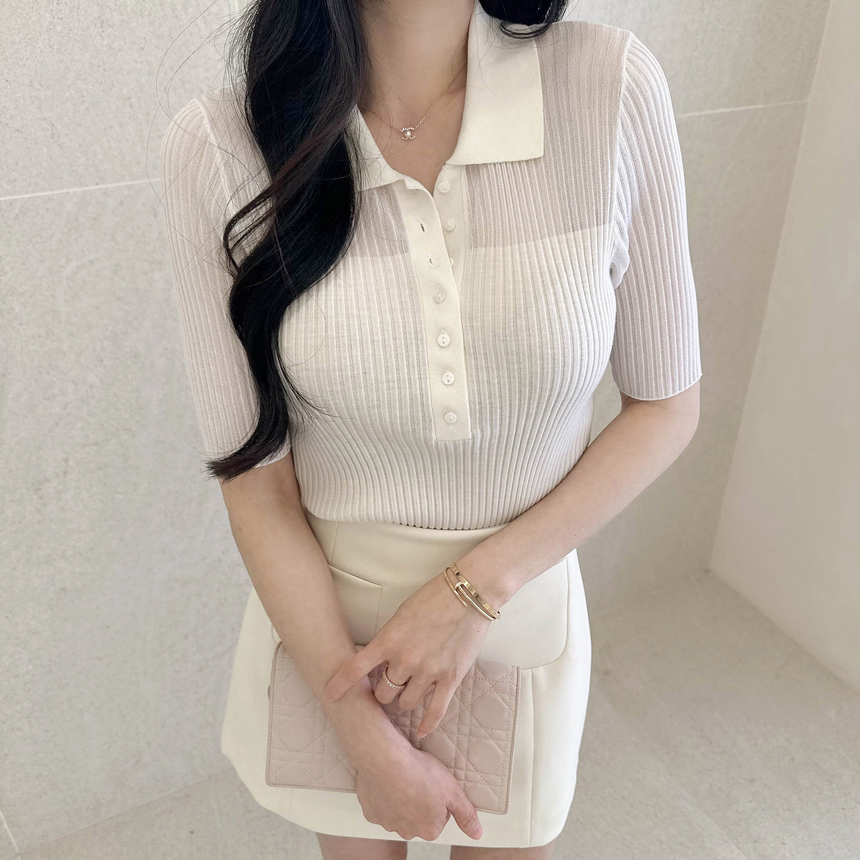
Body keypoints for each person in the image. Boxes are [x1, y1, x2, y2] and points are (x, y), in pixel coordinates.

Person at [159, 0, 703, 856]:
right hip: (334, 645)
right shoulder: (224, 146)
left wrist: (472, 591)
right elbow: (258, 488)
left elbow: (667, 405)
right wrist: (359, 731)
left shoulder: (609, 86)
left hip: (519, 613)